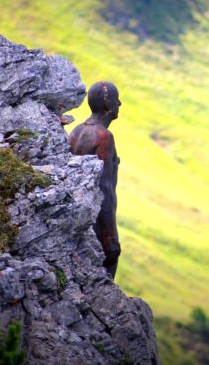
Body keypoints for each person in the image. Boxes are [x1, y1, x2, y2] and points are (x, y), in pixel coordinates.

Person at [68, 81, 122, 279]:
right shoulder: (103, 137)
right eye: (117, 99)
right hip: (97, 222)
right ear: (108, 104)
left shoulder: (76, 131)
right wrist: (110, 235)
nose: (120, 103)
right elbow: (105, 188)